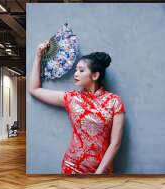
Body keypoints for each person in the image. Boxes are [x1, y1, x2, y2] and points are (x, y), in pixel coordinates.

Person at [29, 41, 125, 175]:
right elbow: (34, 90)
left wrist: (98, 174)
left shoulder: (114, 101)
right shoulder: (72, 98)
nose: (76, 73)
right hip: (72, 167)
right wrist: (38, 56)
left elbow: (115, 143)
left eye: (81, 70)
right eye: (76, 70)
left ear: (95, 75)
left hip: (102, 170)